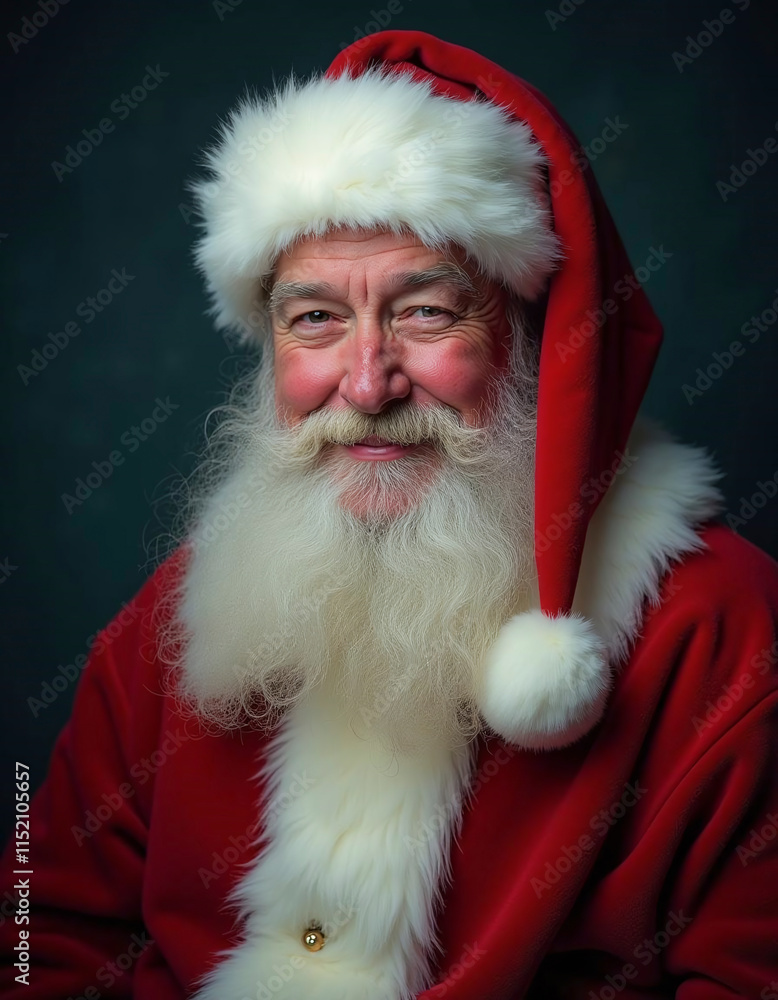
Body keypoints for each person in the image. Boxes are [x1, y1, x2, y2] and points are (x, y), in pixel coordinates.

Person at [2, 28, 777, 1000]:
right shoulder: (186, 607)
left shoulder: (721, 630)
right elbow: (37, 934)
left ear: (534, 344)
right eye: (315, 319)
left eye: (426, 312)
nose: (366, 385)